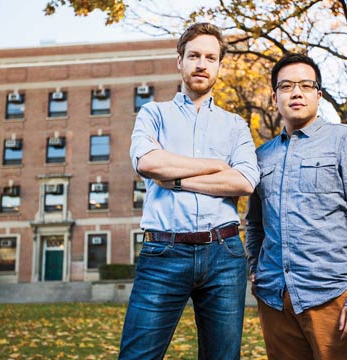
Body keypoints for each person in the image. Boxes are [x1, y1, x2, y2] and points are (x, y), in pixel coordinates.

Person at [119, 23, 260, 360]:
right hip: (164, 252)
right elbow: (148, 163)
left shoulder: (235, 125)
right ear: (178, 61)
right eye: (193, 55)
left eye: (210, 57)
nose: (201, 63)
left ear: (219, 66)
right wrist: (214, 164)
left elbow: (244, 181)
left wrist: (178, 179)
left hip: (224, 254)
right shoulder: (154, 113)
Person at [245, 52, 347, 360]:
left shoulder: (344, 140)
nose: (296, 92)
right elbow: (255, 223)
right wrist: (255, 268)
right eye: (286, 86)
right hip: (274, 299)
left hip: (331, 297)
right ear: (274, 97)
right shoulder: (261, 156)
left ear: (318, 95)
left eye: (306, 85)